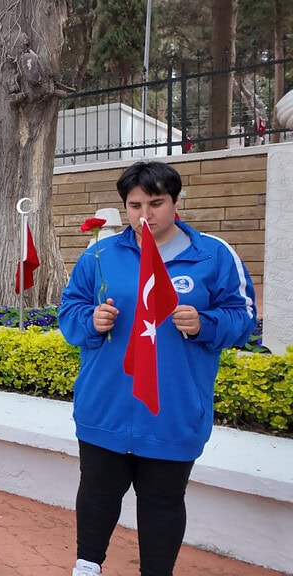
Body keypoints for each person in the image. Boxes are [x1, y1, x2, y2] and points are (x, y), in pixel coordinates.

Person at [60, 161, 257, 576]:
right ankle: (87, 565)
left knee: (163, 503)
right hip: (105, 405)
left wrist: (207, 323)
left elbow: (243, 319)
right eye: (134, 206)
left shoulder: (214, 256)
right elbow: (69, 311)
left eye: (156, 203)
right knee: (97, 493)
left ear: (176, 201)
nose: (145, 215)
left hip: (172, 410)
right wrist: (89, 321)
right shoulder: (99, 255)